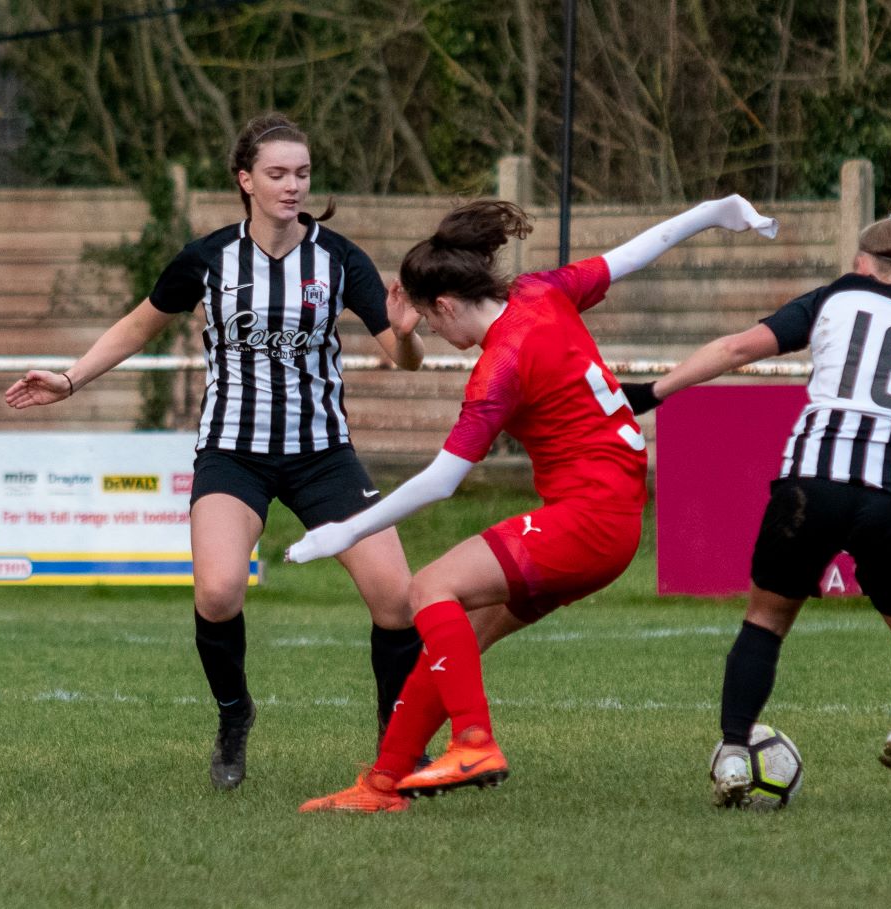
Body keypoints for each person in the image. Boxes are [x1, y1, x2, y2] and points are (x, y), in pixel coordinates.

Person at [285, 194, 779, 813]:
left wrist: (344, 532)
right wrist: (714, 211)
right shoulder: (541, 291)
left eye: (431, 323)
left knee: (426, 590)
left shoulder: (500, 364)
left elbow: (441, 481)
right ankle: (383, 784)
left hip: (587, 521)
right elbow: (636, 253)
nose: (435, 335)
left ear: (444, 304)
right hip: (611, 521)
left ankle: (473, 742)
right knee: (455, 635)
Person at [3, 113, 426, 792]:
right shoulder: (209, 258)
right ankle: (234, 717)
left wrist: (405, 335)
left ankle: (397, 746)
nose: (294, 185)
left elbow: (402, 357)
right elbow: (140, 323)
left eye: (303, 172)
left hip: (324, 454)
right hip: (233, 452)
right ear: (245, 180)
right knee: (220, 590)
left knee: (398, 601)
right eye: (278, 173)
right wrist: (71, 376)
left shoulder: (339, 258)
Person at [623, 197, 891, 812]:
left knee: (764, 622)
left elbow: (737, 348)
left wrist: (651, 392)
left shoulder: (837, 297)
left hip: (809, 485)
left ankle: (735, 753)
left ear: (865, 263)